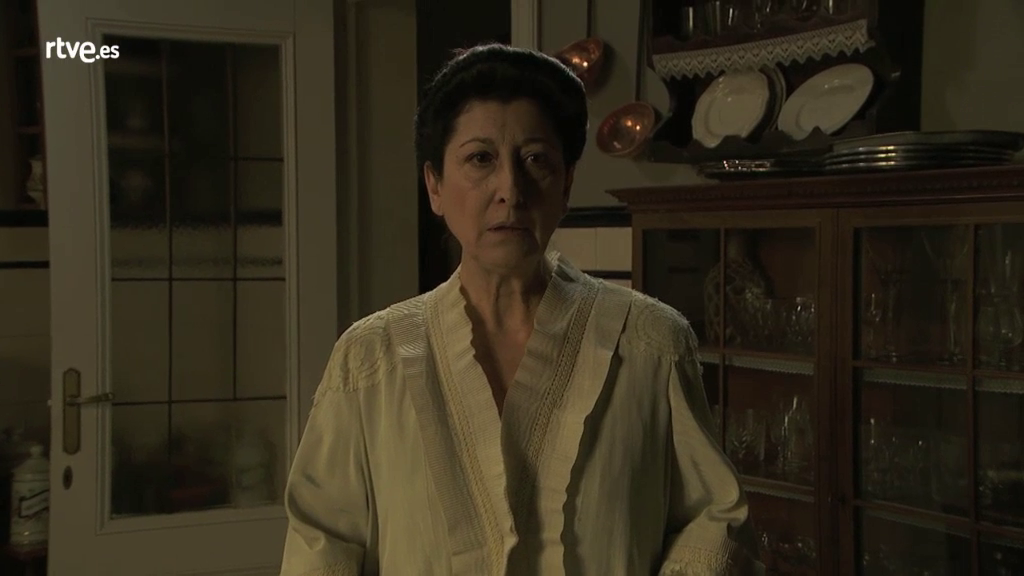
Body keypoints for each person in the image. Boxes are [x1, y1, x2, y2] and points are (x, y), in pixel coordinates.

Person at [279, 43, 762, 576]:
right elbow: (321, 545)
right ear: (435, 186)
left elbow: (714, 518)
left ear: (566, 184)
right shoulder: (371, 360)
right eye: (480, 159)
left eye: (536, 160)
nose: (510, 189)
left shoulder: (650, 343)